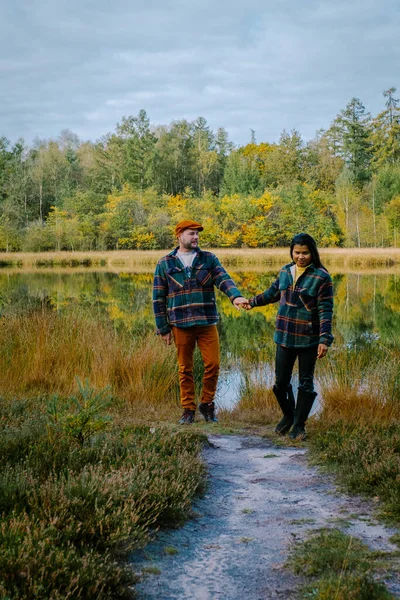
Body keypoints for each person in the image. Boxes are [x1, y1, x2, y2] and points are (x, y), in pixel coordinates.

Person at [153, 220, 248, 424]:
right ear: (179, 236)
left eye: (197, 234)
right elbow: (158, 298)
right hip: (180, 324)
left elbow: (224, 279)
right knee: (184, 369)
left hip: (206, 322)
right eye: (191, 233)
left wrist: (235, 297)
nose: (195, 237)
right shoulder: (165, 263)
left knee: (213, 364)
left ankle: (207, 403)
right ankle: (188, 409)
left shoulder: (208, 259)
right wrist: (163, 328)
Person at [246, 233, 334, 440]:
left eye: (305, 253)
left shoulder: (322, 277)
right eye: (297, 252)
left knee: (305, 383)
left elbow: (326, 310)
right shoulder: (285, 271)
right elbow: (271, 294)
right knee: (280, 383)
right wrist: (251, 302)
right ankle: (289, 416)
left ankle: (299, 425)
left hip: (308, 339)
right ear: (291, 252)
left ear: (312, 253)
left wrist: (324, 339)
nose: (301, 257)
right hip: (284, 337)